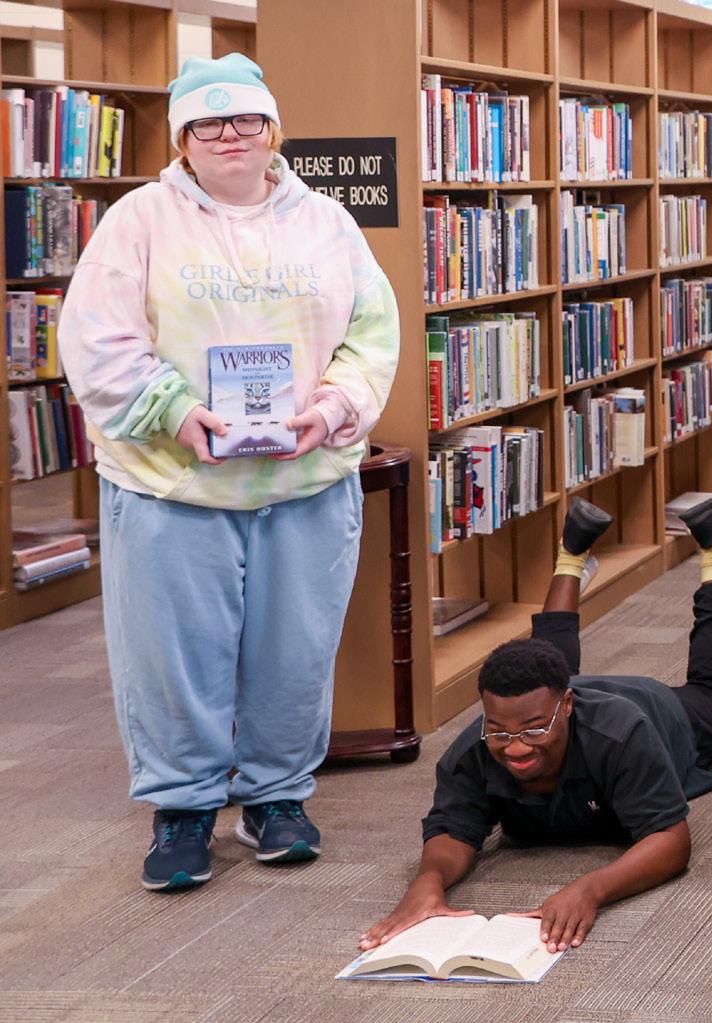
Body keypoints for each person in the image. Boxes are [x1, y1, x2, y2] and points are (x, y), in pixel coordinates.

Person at [58, 53, 399, 892]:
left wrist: (332, 407)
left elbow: (373, 332)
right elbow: (95, 335)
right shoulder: (137, 221)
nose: (228, 135)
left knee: (296, 649)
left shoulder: (328, 222)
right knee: (172, 655)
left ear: (272, 128)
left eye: (245, 118)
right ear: (182, 138)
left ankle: (277, 798)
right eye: (206, 122)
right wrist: (172, 409)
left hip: (303, 479)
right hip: (172, 481)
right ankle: (182, 808)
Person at [360, 498, 712, 954]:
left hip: (653, 707)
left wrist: (591, 889)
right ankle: (572, 551)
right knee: (543, 666)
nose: (515, 748)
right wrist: (428, 881)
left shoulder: (623, 736)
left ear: (567, 706)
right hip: (555, 697)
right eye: (499, 732)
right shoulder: (478, 746)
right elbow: (453, 830)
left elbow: (671, 839)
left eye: (531, 731)